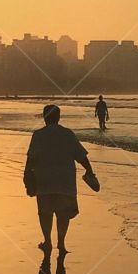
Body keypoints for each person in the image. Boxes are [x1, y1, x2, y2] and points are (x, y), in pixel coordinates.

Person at [24, 105, 96, 254]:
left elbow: (31, 158)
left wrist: (26, 174)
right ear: (58, 117)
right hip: (65, 181)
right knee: (63, 213)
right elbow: (81, 156)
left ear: (45, 118)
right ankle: (61, 243)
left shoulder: (38, 135)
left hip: (44, 180)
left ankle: (47, 241)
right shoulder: (67, 134)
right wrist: (89, 170)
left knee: (45, 213)